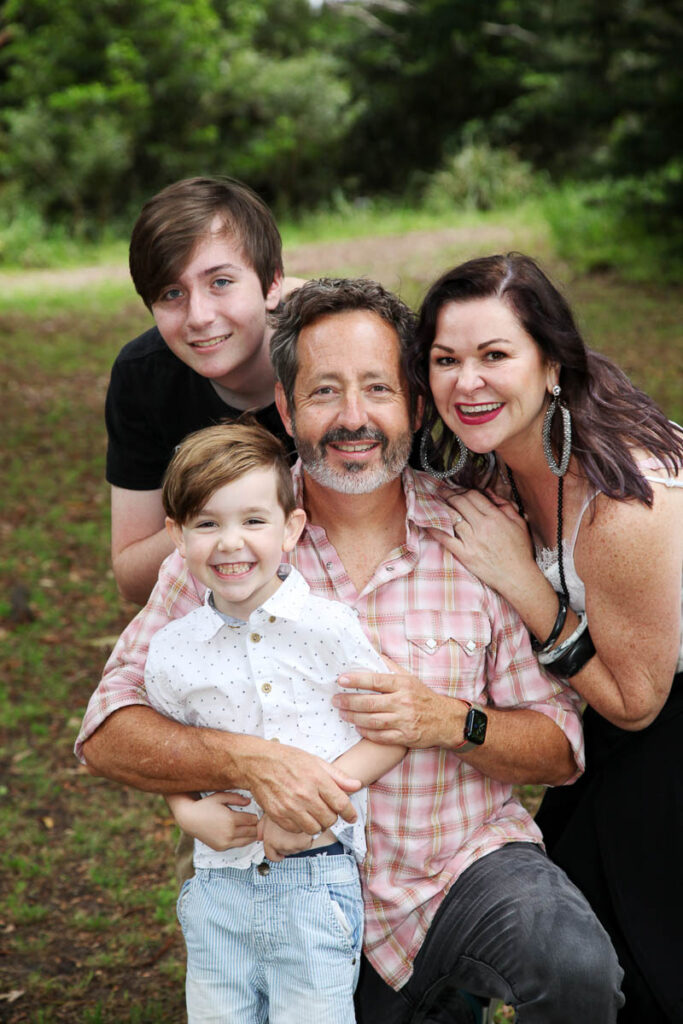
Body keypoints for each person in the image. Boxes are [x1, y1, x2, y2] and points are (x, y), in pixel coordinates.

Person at [76, 278, 624, 1023]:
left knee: (571, 965)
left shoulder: (478, 536)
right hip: (288, 895)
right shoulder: (232, 543)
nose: (354, 418)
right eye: (326, 391)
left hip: (454, 870)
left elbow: (557, 748)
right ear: (286, 408)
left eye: (377, 388)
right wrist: (246, 762)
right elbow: (107, 732)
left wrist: (448, 721)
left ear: (416, 406)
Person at [409, 252, 683, 1023]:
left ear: (551, 365)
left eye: (494, 355)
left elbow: (634, 705)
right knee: (567, 885)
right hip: (623, 701)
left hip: (654, 707)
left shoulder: (622, 505)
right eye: (444, 360)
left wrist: (523, 585)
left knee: (630, 921)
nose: (467, 382)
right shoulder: (493, 462)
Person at [143, 419, 405, 1022]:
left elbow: (389, 733)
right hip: (217, 889)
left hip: (313, 882)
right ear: (177, 536)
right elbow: (165, 747)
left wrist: (309, 802)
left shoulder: (330, 628)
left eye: (252, 521)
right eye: (207, 523)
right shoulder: (174, 647)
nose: (230, 542)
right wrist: (186, 810)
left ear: (291, 530)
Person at [108, 175, 304, 604]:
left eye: (220, 282)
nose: (198, 316)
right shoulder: (143, 376)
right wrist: (216, 513)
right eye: (172, 293)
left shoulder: (335, 350)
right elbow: (132, 579)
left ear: (272, 284)